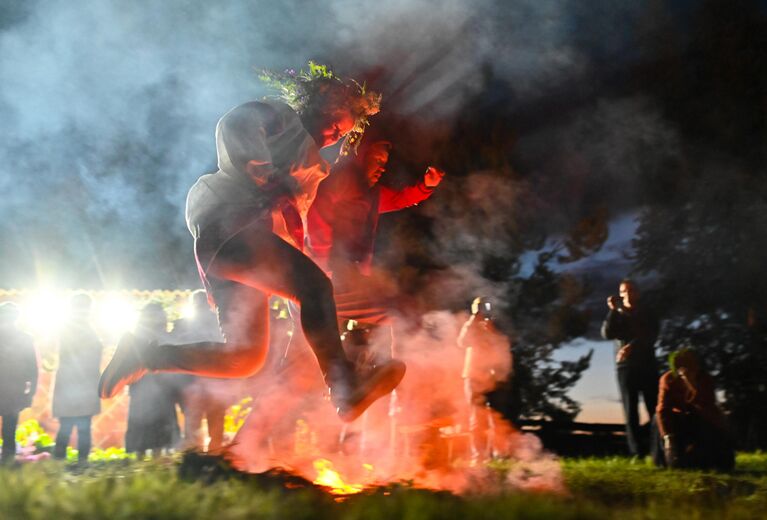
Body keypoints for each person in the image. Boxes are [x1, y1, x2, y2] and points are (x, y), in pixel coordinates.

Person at [99, 64, 405, 423]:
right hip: (232, 227)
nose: (335, 137)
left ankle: (147, 355)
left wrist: (306, 304)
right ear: (322, 99)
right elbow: (234, 125)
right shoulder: (281, 116)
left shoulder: (316, 170)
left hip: (247, 250)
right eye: (337, 125)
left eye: (342, 135)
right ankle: (343, 386)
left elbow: (292, 228)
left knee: (244, 358)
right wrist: (265, 175)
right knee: (315, 288)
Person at [307, 137, 445, 326]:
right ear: (361, 155)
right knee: (393, 314)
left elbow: (398, 200)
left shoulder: (372, 193)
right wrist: (324, 267)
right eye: (378, 160)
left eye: (385, 163)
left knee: (390, 316)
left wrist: (426, 186)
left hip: (348, 276)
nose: (382, 168)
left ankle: (389, 353)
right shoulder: (339, 181)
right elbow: (318, 218)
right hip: (324, 276)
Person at [601, 279, 660, 457]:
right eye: (624, 291)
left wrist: (633, 346)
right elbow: (607, 334)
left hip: (647, 364)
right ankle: (637, 452)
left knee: (654, 408)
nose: (627, 294)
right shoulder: (617, 314)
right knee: (630, 410)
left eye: (631, 290)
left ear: (638, 293)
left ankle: (659, 450)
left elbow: (651, 335)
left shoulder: (648, 313)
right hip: (625, 368)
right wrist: (612, 311)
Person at [652, 348, 734, 471]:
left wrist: (692, 385)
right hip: (677, 420)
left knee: (711, 436)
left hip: (700, 419)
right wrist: (668, 437)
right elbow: (663, 408)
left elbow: (706, 407)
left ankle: (708, 458)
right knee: (657, 419)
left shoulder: (705, 379)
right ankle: (664, 458)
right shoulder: (668, 379)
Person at [171, 289, 229, 452]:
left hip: (215, 381)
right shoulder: (183, 325)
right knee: (194, 419)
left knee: (214, 419)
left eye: (203, 303)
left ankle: (213, 452)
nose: (201, 306)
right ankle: (195, 452)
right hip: (194, 381)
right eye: (198, 303)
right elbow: (176, 352)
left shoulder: (219, 324)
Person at [457, 297, 512, 464]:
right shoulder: (471, 326)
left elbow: (504, 347)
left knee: (498, 417)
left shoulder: (496, 327)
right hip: (474, 376)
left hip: (494, 377)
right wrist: (474, 319)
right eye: (481, 307)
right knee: (477, 417)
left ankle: (499, 453)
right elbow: (462, 342)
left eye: (486, 307)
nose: (484, 311)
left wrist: (492, 330)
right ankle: (479, 456)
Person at [124, 303, 181, 458]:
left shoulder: (162, 336)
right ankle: (144, 460)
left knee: (158, 425)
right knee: (142, 423)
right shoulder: (137, 337)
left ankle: (154, 461)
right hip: (144, 385)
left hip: (161, 386)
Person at [52, 294, 103, 465]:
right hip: (81, 386)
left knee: (68, 426)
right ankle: (79, 462)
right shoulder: (87, 331)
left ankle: (59, 463)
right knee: (82, 427)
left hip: (71, 386)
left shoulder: (66, 328)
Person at [0, 302, 37, 465]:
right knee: (9, 429)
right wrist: (30, 394)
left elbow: (32, 369)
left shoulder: (25, 339)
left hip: (12, 391)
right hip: (14, 392)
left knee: (9, 429)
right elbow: (33, 370)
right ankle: (7, 466)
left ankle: (7, 464)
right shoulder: (25, 339)